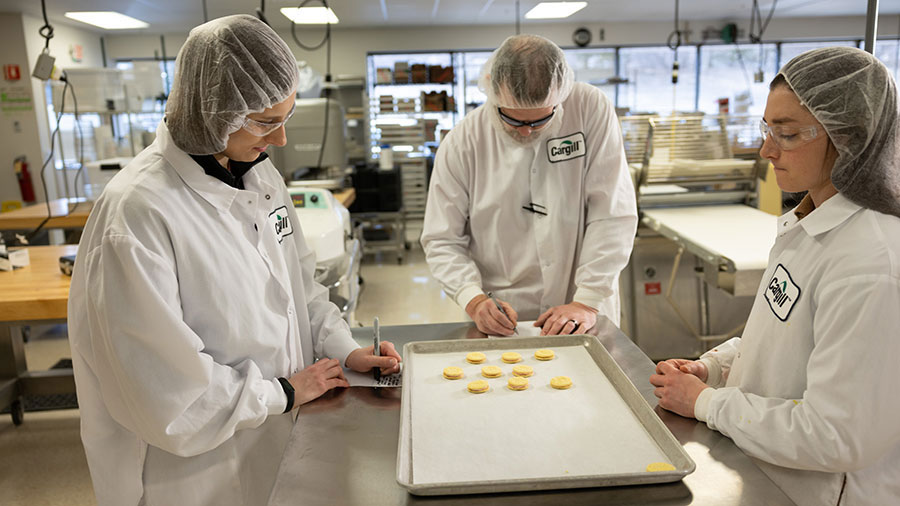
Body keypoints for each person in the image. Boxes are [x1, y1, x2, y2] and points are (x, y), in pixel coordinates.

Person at [67, 15, 401, 506]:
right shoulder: (138, 212)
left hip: (281, 434)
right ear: (212, 112)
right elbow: (166, 391)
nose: (282, 140)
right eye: (267, 123)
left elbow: (300, 290)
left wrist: (343, 348)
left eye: (284, 118)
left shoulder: (261, 178)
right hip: (192, 472)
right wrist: (282, 393)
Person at [650, 46, 900, 506]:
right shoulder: (811, 223)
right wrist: (716, 370)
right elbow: (781, 343)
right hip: (769, 472)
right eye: (768, 129)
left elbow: (836, 436)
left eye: (785, 134)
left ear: (849, 138)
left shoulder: (871, 266)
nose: (766, 150)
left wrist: (705, 402)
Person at [420, 34, 638, 337]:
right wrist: (474, 300)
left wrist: (587, 301)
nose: (526, 133)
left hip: (582, 306)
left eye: (539, 122)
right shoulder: (464, 142)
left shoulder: (588, 109)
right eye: (514, 121)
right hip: (505, 312)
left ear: (561, 97)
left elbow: (611, 211)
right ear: (492, 91)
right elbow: (442, 238)